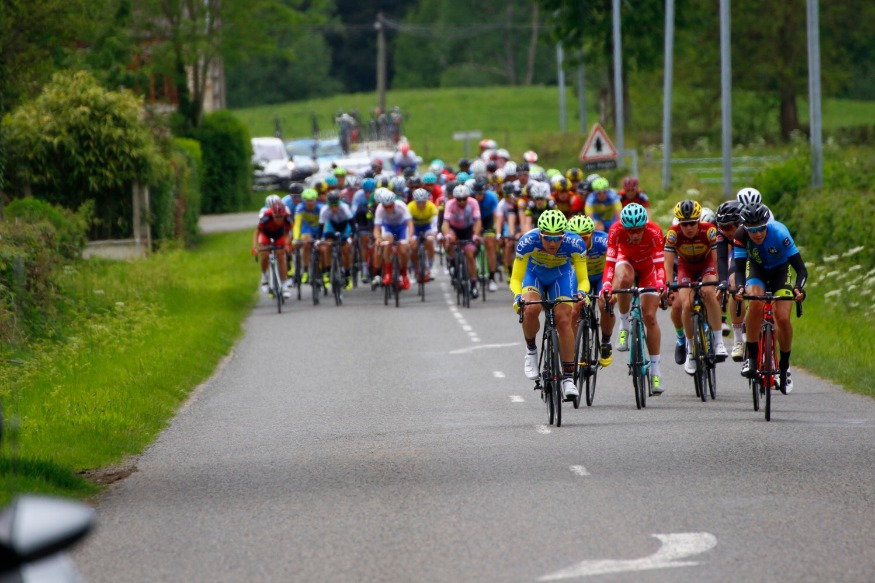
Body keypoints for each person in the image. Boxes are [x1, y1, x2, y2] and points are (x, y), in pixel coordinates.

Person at [511, 209, 589, 400]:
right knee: (531, 308)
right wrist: (518, 297)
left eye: (557, 239)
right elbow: (515, 278)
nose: (552, 243)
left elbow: (583, 279)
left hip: (560, 277)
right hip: (534, 275)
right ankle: (531, 350)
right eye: (547, 238)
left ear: (564, 235)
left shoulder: (575, 243)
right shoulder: (527, 242)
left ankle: (568, 378)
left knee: (564, 319)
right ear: (540, 235)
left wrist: (582, 293)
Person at [733, 202, 807, 394]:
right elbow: (739, 269)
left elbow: (801, 269)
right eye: (752, 230)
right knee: (755, 302)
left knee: (782, 317)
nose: (757, 234)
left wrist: (798, 288)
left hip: (780, 272)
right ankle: (751, 358)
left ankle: (784, 367)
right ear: (745, 228)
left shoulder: (780, 233)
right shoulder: (740, 236)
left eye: (761, 228)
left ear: (767, 224)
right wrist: (740, 287)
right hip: (756, 270)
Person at [601, 203, 667, 394]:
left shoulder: (654, 231)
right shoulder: (615, 230)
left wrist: (661, 283)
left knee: (650, 317)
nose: (635, 234)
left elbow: (660, 264)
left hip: (648, 268)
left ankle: (655, 373)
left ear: (645, 226)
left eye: (639, 230)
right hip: (626, 262)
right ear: (624, 228)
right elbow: (610, 264)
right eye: (631, 231)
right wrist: (607, 284)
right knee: (625, 279)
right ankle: (624, 325)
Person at [664, 200, 728, 376]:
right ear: (679, 223)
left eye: (692, 223)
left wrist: (720, 281)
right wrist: (668, 286)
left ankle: (718, 342)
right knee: (686, 304)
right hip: (686, 267)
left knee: (708, 292)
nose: (689, 228)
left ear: (698, 220)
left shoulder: (709, 230)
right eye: (684, 224)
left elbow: (716, 259)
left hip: (706, 264)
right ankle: (691, 351)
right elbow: (667, 264)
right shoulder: (673, 234)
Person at [567, 214, 614, 367]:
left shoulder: (603, 241)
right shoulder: (565, 244)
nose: (580, 242)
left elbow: (616, 262)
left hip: (601, 276)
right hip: (580, 277)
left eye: (584, 238)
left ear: (592, 235)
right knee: (573, 308)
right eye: (576, 238)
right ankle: (571, 350)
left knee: (605, 303)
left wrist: (613, 286)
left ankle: (605, 342)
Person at [715, 200, 746, 360]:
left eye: (729, 227)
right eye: (722, 227)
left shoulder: (750, 228)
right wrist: (723, 282)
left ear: (740, 223)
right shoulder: (722, 234)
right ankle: (738, 340)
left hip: (757, 254)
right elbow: (721, 259)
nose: (725, 231)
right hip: (738, 254)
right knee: (734, 284)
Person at [442, 184, 483, 298]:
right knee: (450, 239)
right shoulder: (450, 204)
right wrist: (447, 235)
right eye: (459, 199)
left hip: (468, 229)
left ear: (467, 197)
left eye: (464, 199)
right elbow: (446, 222)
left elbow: (478, 221)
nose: (461, 202)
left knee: (470, 255)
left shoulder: (473, 203)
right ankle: (451, 260)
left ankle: (473, 284)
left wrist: (475, 235)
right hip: (454, 228)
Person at [373, 187, 414, 290]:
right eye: (385, 207)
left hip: (401, 227)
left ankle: (404, 275)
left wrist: (409, 237)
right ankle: (388, 273)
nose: (388, 209)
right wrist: (378, 238)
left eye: (390, 206)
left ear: (394, 203)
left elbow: (410, 224)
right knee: (387, 243)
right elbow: (377, 228)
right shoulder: (379, 209)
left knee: (403, 250)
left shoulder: (401, 206)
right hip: (388, 227)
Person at [252, 196, 292, 297]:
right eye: (276, 217)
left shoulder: (287, 218)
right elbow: (257, 233)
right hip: (266, 234)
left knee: (281, 257)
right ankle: (264, 277)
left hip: (279, 235)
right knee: (264, 254)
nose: (279, 219)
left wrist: (287, 245)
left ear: (284, 214)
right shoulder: (266, 218)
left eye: (281, 216)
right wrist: (255, 247)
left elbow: (288, 233)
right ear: (272, 214)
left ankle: (284, 285)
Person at [319, 192, 355, 290]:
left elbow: (352, 224)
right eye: (331, 206)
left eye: (336, 206)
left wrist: (351, 237)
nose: (334, 208)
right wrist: (319, 240)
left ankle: (347, 274)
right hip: (331, 227)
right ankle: (327, 270)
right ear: (328, 205)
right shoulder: (324, 209)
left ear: (339, 203)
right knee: (327, 245)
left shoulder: (345, 208)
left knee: (345, 250)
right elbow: (321, 227)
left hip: (344, 228)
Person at [471, 177, 501, 291]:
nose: (478, 196)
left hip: (488, 220)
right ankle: (475, 270)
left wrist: (495, 230)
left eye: (480, 194)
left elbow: (496, 215)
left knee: (490, 244)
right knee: (472, 243)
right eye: (476, 194)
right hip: (475, 219)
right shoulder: (471, 199)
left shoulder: (492, 197)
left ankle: (492, 278)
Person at [292, 188, 324, 285]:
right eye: (307, 200)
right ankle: (305, 271)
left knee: (322, 249)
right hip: (306, 229)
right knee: (306, 244)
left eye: (312, 200)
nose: (309, 203)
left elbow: (325, 224)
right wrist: (296, 238)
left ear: (315, 200)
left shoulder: (321, 207)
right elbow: (297, 225)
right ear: (304, 201)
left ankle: (322, 270)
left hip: (319, 229)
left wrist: (323, 238)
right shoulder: (300, 208)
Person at [407, 187, 439, 281]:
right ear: (414, 201)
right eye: (418, 202)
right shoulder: (410, 207)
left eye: (423, 202)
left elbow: (435, 222)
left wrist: (434, 233)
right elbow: (407, 223)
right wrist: (409, 236)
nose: (421, 204)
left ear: (427, 200)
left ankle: (431, 265)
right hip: (414, 227)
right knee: (413, 247)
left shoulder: (431, 206)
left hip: (427, 227)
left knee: (430, 241)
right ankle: (413, 267)